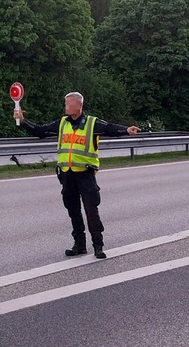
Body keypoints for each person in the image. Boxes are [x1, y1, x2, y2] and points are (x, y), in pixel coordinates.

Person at [15, 91, 139, 259]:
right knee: (73, 211)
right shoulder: (62, 123)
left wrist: (126, 130)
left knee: (91, 210)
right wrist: (23, 122)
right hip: (67, 175)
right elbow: (41, 131)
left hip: (85, 174)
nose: (66, 106)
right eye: (65, 103)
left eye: (68, 103)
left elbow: (109, 128)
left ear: (79, 105)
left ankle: (98, 245)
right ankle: (79, 245)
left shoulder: (92, 123)